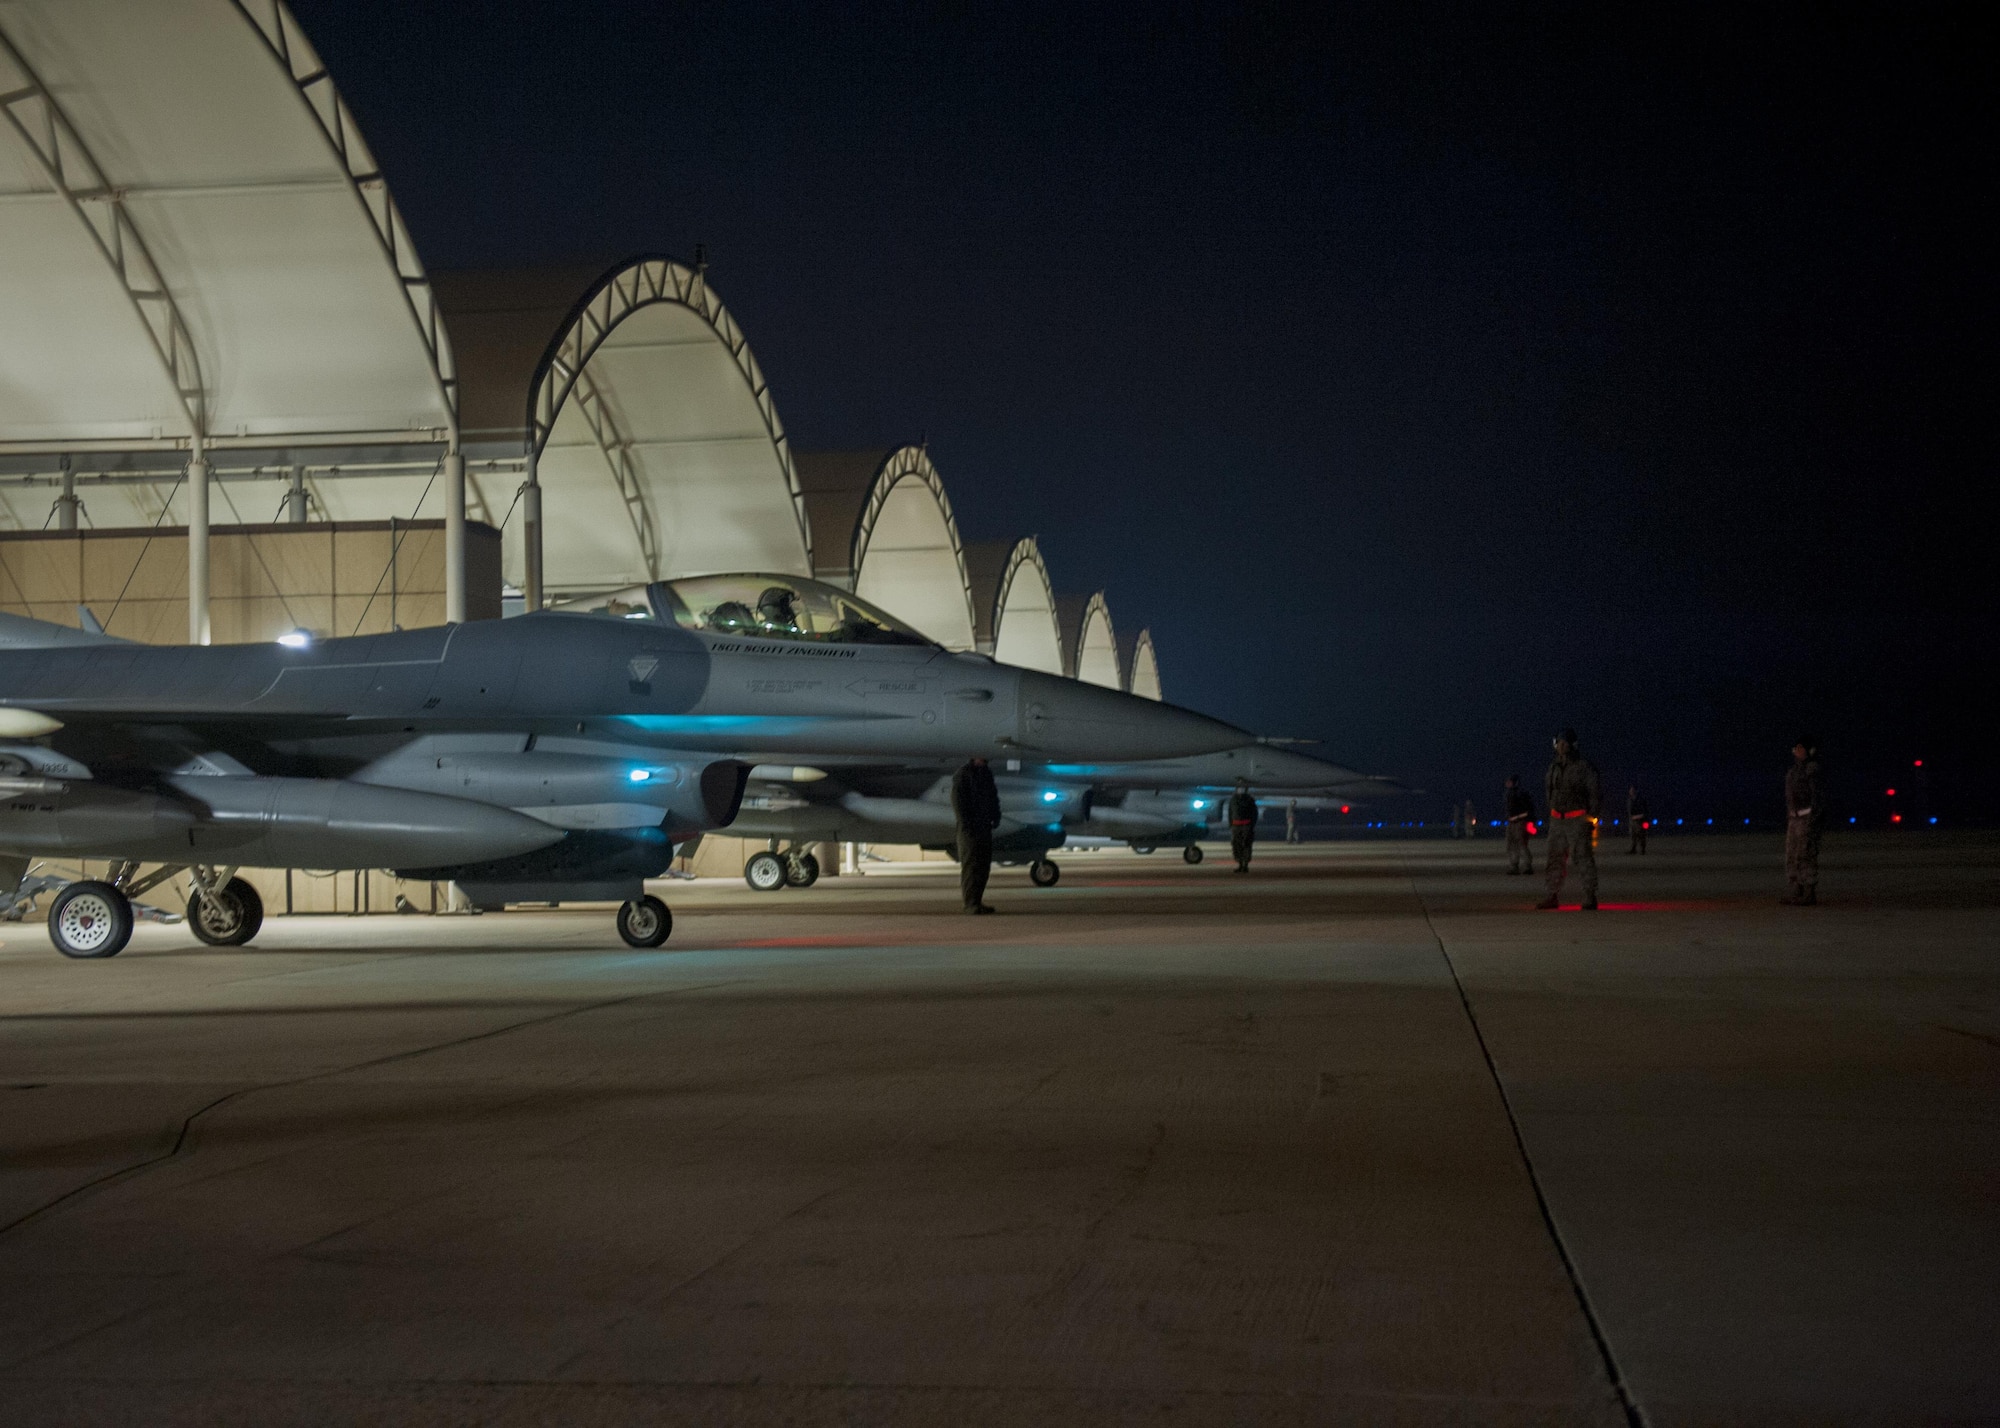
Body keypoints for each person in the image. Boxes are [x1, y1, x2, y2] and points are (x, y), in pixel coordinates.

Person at [1538, 727, 1601, 910]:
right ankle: (1552, 894)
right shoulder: (1554, 767)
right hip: (1557, 819)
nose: (1562, 746)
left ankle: (1590, 895)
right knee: (1554, 858)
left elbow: (1594, 793)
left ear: (1573, 745)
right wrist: (1551, 810)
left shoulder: (1583, 767)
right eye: (1559, 743)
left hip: (1578, 819)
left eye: (1565, 743)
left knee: (1583, 857)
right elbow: (1549, 791)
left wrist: (1592, 817)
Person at [951, 755, 1001, 913]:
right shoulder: (963, 774)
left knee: (982, 866)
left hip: (983, 826)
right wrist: (966, 823)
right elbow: (958, 801)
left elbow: (993, 798)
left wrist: (995, 816)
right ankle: (971, 903)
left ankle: (977, 901)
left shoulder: (985, 773)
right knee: (971, 865)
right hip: (970, 829)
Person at [1782, 735, 1823, 906]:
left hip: (1807, 817)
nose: (1798, 751)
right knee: (1792, 855)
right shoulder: (1793, 771)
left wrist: (1814, 817)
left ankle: (1808, 891)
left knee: (1806, 854)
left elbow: (1818, 796)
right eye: (1796, 748)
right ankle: (1795, 889)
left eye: (1801, 748)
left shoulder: (1812, 770)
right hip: (1794, 817)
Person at [1503, 774, 1536, 875]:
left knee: (1522, 845)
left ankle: (1527, 865)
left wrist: (1524, 819)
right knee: (1511, 845)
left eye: (1509, 782)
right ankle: (1514, 865)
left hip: (1520, 822)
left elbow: (1529, 809)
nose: (1507, 784)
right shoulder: (1508, 794)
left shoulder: (1521, 794)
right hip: (1512, 822)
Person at [1229, 779, 1258, 873]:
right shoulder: (1233, 799)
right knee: (1236, 845)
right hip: (1236, 826)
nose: (1240, 789)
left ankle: (1245, 865)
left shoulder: (1249, 800)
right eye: (1239, 787)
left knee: (1246, 844)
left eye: (1242, 787)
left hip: (1246, 825)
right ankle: (1240, 863)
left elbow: (1254, 813)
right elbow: (1230, 812)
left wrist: (1251, 825)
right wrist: (1231, 824)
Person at [1626, 784, 1650, 854]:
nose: (1631, 792)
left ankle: (1642, 849)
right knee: (1632, 835)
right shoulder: (1629, 799)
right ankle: (1633, 849)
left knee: (1641, 835)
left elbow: (1644, 811)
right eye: (1630, 790)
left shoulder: (1640, 800)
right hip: (1632, 820)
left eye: (1632, 790)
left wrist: (1639, 816)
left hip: (1640, 820)